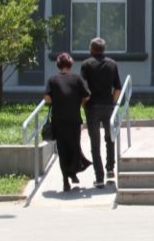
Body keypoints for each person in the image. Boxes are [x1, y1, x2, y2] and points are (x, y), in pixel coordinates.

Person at [44, 52, 91, 192]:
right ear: (70, 64)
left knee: (62, 149)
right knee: (74, 146)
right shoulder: (77, 79)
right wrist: (77, 102)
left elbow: (47, 98)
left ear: (58, 64)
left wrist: (58, 101)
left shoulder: (52, 80)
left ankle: (65, 179)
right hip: (74, 119)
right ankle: (73, 171)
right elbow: (87, 96)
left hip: (58, 120)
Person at [81, 37, 122, 188]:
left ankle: (99, 178)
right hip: (108, 106)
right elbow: (118, 88)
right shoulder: (112, 64)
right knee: (110, 138)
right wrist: (112, 102)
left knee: (95, 142)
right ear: (104, 49)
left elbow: (84, 89)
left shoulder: (86, 65)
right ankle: (110, 168)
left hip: (92, 107)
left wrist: (83, 104)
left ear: (92, 49)